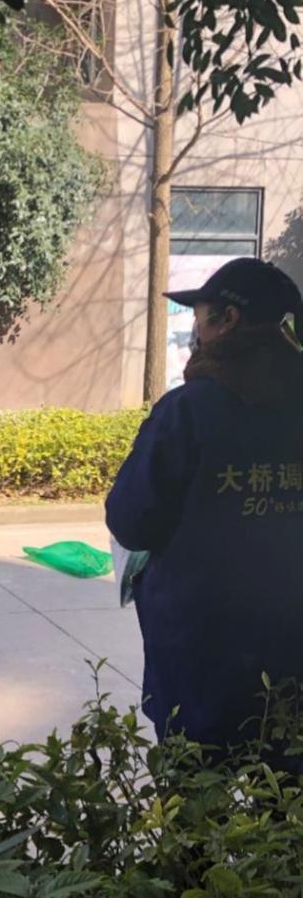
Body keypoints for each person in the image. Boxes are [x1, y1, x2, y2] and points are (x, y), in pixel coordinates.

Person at [106, 257, 303, 755]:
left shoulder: (188, 411)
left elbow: (132, 520)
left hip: (200, 654)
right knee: (281, 789)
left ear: (227, 319)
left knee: (194, 789)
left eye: (199, 315)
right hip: (292, 651)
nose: (195, 329)